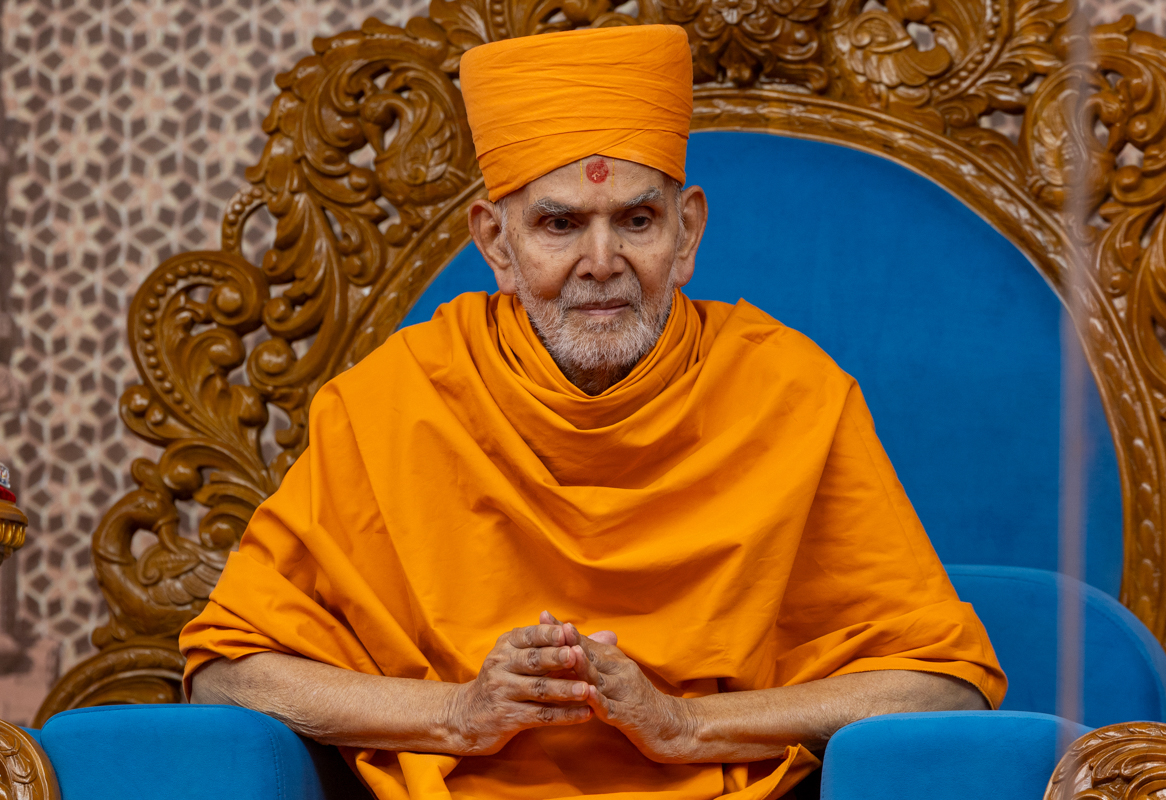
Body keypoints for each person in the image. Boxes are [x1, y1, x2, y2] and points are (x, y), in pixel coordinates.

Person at [181, 23, 1006, 800]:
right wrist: (459, 714)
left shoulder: (791, 394)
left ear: (687, 235)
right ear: (496, 243)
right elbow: (227, 672)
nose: (602, 263)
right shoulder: (394, 400)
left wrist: (684, 726)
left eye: (637, 221)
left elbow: (946, 686)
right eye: (559, 224)